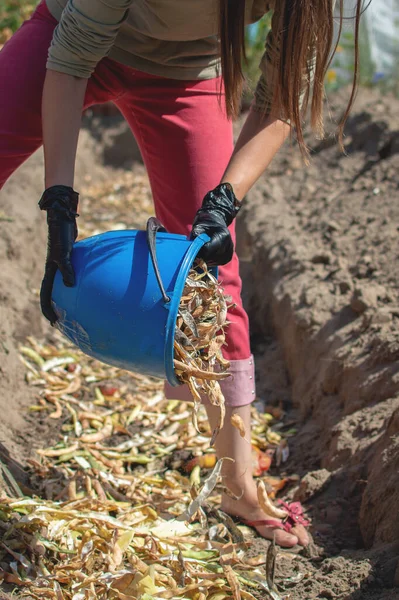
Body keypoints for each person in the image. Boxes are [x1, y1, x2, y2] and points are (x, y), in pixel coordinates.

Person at [0, 0, 363, 548]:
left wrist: (223, 202)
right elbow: (72, 59)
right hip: (73, 43)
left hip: (186, 74)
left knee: (213, 280)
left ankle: (239, 483)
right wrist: (59, 200)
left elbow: (282, 97)